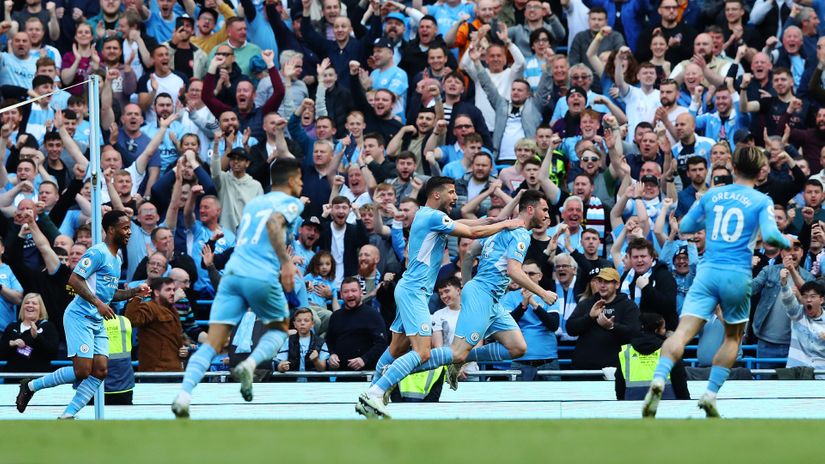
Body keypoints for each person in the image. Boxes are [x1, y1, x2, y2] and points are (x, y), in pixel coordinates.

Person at [358, 190, 556, 418]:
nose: (547, 215)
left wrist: (468, 285)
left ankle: (452, 362)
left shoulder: (501, 229)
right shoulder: (520, 234)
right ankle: (384, 382)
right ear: (530, 209)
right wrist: (542, 293)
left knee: (517, 347)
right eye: (544, 209)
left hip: (488, 297)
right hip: (482, 295)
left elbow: (470, 253)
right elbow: (513, 271)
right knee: (453, 352)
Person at [642, 146, 792, 418]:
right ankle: (710, 394)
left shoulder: (713, 194)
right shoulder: (761, 200)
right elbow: (771, 237)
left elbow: (685, 226)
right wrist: (787, 241)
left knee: (681, 334)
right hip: (737, 275)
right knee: (733, 337)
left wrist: (708, 216)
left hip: (708, 271)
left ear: (733, 167)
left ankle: (659, 379)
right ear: (761, 171)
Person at [172, 158, 305, 418]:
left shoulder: (254, 204)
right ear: (291, 180)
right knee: (280, 330)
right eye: (300, 179)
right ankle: (251, 364)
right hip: (261, 274)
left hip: (233, 274)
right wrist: (287, 262)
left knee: (213, 343)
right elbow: (274, 224)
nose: (301, 184)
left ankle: (184, 395)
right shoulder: (291, 202)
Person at [15, 210, 151, 419]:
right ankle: (31, 386)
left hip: (97, 319)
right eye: (125, 228)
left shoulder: (116, 259)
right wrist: (98, 304)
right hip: (79, 316)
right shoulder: (97, 253)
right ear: (111, 230)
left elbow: (110, 294)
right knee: (82, 370)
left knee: (101, 370)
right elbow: (74, 280)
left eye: (130, 228)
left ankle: (67, 415)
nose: (129, 232)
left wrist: (134, 292)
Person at [124, 277, 188, 372]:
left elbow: (175, 338)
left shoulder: (173, 310)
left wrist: (183, 350)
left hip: (175, 369)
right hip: (155, 371)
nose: (172, 293)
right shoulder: (149, 307)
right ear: (157, 292)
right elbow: (131, 320)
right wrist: (137, 297)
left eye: (173, 290)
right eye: (168, 290)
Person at [0, 293, 59, 373]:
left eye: (34, 303)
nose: (30, 305)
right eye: (27, 303)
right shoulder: (12, 327)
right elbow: (2, 354)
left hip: (37, 377)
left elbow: (53, 353)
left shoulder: (47, 326)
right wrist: (11, 344)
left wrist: (37, 336)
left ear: (40, 308)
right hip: (13, 377)